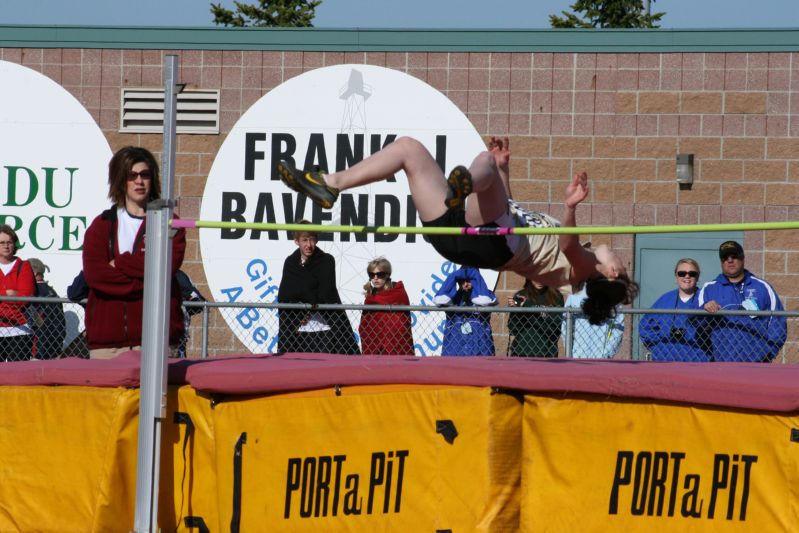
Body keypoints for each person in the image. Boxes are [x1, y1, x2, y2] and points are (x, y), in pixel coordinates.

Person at [277, 136, 638, 324]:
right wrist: (504, 169)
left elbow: (569, 242)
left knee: (482, 168)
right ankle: (330, 183)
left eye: (620, 262)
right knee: (409, 149)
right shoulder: (575, 264)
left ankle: (466, 185)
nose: (617, 253)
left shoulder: (580, 268)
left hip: (493, 244)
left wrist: (571, 207)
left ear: (611, 272)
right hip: (467, 237)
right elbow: (509, 210)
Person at [82, 146, 186, 359]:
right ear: (121, 179)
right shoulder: (101, 225)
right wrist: (145, 278)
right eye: (132, 175)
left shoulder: (168, 222)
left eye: (145, 175)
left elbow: (165, 266)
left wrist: (119, 263)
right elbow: (95, 275)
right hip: (107, 344)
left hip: (155, 340)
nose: (139, 181)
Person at [696, 241, 786, 362]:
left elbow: (778, 323)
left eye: (734, 256)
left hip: (757, 364)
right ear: (721, 262)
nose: (730, 260)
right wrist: (704, 309)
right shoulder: (709, 289)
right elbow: (695, 324)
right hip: (721, 363)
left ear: (742, 258)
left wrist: (767, 355)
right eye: (725, 258)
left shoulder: (762, 287)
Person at [277, 222, 359, 354]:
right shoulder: (290, 263)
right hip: (298, 328)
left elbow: (325, 293)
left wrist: (306, 303)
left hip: (326, 329)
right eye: (304, 240)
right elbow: (285, 295)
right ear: (296, 241)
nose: (309, 245)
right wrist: (301, 309)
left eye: (312, 239)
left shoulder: (326, 260)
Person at [639, 258, 710, 362]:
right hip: (666, 363)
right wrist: (659, 349)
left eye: (692, 273)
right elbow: (645, 327)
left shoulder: (706, 299)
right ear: (676, 277)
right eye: (682, 273)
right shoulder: (665, 300)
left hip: (697, 363)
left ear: (697, 276)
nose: (687, 276)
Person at [433, 266, 496, 356]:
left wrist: (474, 275)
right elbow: (440, 300)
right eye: (462, 281)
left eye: (469, 280)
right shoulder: (452, 297)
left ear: (476, 280)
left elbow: (485, 301)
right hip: (454, 351)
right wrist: (454, 276)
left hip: (480, 350)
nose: (465, 284)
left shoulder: (487, 294)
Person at [358, 257, 414, 355]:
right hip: (374, 347)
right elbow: (365, 324)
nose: (375, 278)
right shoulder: (370, 297)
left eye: (380, 275)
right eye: (372, 274)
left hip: (396, 344)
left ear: (387, 275)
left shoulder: (398, 293)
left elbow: (402, 322)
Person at [0, 225, 36, 361]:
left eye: (9, 242)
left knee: (16, 374)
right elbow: (17, 296)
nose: (6, 246)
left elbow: (25, 298)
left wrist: (2, 298)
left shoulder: (24, 266)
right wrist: (9, 293)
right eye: (2, 243)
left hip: (18, 330)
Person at [561, 285, 624, 359]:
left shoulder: (612, 293)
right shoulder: (575, 293)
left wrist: (607, 354)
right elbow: (565, 325)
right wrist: (569, 351)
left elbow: (618, 327)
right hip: (577, 354)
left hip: (601, 355)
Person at [507, 279, 564, 358]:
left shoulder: (556, 296)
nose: (539, 281)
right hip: (521, 350)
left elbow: (554, 328)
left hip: (547, 352)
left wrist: (527, 308)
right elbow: (513, 328)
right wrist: (515, 311)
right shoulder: (521, 295)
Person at [27, 258, 66, 360]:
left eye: (26, 272)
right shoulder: (52, 292)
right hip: (55, 346)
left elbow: (37, 322)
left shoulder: (34, 291)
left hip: (38, 348)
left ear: (34, 273)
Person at [174, 270, 207, 358]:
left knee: (178, 354)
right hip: (172, 328)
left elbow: (194, 297)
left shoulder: (178, 275)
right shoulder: (175, 274)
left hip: (177, 328)